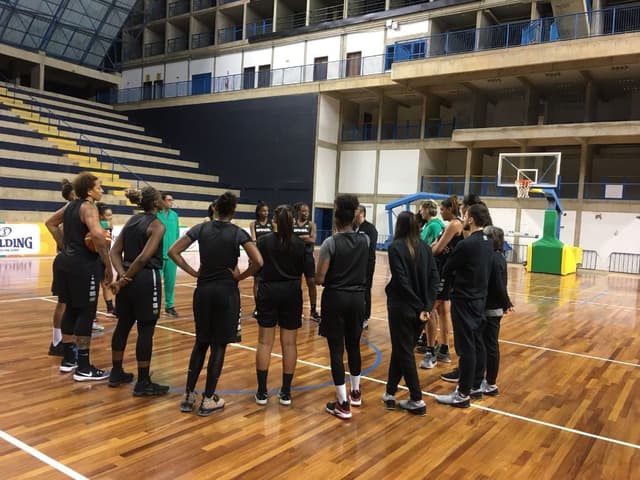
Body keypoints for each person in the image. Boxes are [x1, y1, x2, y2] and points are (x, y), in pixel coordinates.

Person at [169, 192, 263, 416]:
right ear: (233, 211)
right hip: (226, 293)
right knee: (219, 345)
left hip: (203, 291)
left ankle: (189, 394)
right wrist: (240, 277)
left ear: (216, 209)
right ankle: (208, 399)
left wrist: (193, 272)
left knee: (201, 342)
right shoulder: (238, 233)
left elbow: (173, 251)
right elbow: (258, 261)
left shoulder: (201, 228)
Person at [45, 172, 113, 381]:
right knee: (85, 311)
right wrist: (108, 265)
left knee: (71, 309)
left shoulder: (70, 206)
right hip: (83, 265)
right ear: (89, 190)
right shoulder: (89, 207)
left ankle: (68, 360)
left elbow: (50, 223)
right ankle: (84, 367)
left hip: (64, 262)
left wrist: (65, 245)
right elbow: (98, 237)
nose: (102, 190)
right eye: (99, 187)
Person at [108, 187, 169, 396]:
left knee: (123, 325)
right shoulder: (158, 225)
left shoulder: (131, 221)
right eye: (160, 198)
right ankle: (143, 382)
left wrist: (122, 275)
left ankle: (116, 372)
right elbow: (143, 258)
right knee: (146, 329)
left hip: (126, 274)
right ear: (155, 203)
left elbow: (114, 251)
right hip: (144, 278)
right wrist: (126, 279)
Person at [316, 194, 369, 420]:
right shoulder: (365, 240)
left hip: (336, 298)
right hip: (358, 299)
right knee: (354, 346)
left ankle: (342, 403)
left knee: (336, 351)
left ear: (336, 219)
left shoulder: (330, 243)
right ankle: (355, 393)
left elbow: (319, 277)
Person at [435, 204, 493, 408]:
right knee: (477, 344)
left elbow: (449, 267)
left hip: (464, 300)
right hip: (479, 300)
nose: (464, 216)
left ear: (470, 219)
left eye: (466, 214)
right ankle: (476, 385)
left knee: (466, 348)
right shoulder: (488, 242)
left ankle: (462, 394)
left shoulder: (467, 245)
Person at [254, 205, 312, 406]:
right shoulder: (301, 245)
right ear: (293, 222)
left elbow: (256, 269)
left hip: (268, 291)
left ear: (275, 221)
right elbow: (310, 276)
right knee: (289, 344)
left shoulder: (262, 242)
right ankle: (286, 392)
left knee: (264, 343)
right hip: (291, 292)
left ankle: (262, 392)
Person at [382, 212, 439, 415]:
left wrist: (420, 306)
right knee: (402, 349)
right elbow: (435, 279)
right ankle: (390, 392)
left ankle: (417, 399)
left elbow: (402, 280)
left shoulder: (395, 247)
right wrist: (427, 306)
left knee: (404, 352)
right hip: (420, 310)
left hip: (402, 307)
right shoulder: (425, 247)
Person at [420, 196, 464, 371]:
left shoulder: (454, 224)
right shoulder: (451, 225)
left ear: (450, 209)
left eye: (443, 210)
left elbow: (437, 249)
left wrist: (428, 250)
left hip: (444, 272)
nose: (441, 213)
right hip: (446, 271)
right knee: (444, 310)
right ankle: (444, 350)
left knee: (429, 309)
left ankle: (431, 351)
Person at [471, 226, 513, 398]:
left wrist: (506, 302)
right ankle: (489, 382)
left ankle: (486, 382)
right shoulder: (500, 257)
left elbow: (498, 284)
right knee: (490, 345)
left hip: (490, 308)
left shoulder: (492, 258)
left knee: (486, 346)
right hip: (494, 308)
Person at [48, 179, 76, 356]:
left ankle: (60, 340)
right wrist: (64, 245)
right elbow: (51, 224)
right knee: (64, 303)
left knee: (67, 303)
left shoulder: (73, 209)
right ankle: (58, 341)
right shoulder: (69, 211)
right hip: (67, 260)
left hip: (69, 259)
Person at [416, 200, 445, 354]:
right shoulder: (437, 224)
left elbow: (423, 245)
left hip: (429, 269)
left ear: (427, 209)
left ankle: (430, 344)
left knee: (430, 308)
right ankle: (428, 337)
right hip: (432, 268)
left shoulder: (432, 225)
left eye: (422, 209)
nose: (420, 212)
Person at [293, 202, 321, 322]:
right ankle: (295, 310)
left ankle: (313, 310)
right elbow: (289, 238)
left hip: (308, 257)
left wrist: (298, 238)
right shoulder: (292, 223)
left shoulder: (311, 225)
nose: (305, 213)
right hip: (294, 257)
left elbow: (312, 239)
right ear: (298, 211)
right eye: (303, 211)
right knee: (295, 284)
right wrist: (304, 237)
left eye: (307, 211)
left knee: (311, 282)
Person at [353, 205, 378, 330]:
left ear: (362, 213)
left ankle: (365, 317)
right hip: (354, 264)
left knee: (365, 290)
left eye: (356, 211)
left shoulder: (370, 229)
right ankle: (354, 315)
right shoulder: (353, 227)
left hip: (366, 265)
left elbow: (368, 247)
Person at [157, 192, 180, 316]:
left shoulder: (175, 215)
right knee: (155, 283)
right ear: (162, 201)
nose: (171, 202)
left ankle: (169, 306)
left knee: (170, 282)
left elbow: (177, 233)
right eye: (169, 200)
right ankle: (153, 305)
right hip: (158, 254)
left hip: (171, 255)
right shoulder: (156, 214)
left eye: (172, 200)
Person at [250, 202, 272, 317]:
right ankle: (258, 306)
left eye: (267, 211)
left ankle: (268, 306)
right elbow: (253, 240)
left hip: (270, 256)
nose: (266, 213)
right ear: (258, 212)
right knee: (257, 281)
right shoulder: (253, 224)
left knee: (269, 281)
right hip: (258, 254)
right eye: (263, 210)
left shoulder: (272, 223)